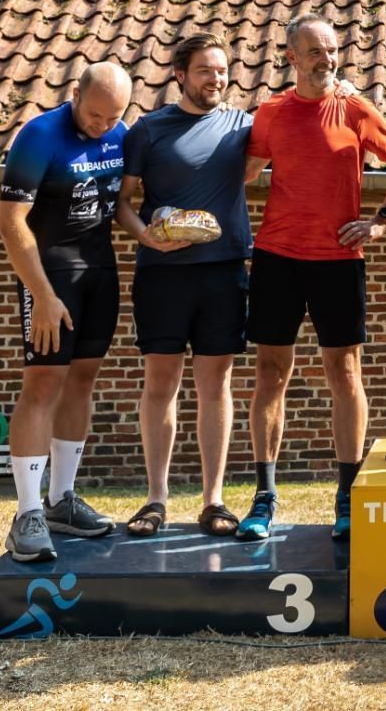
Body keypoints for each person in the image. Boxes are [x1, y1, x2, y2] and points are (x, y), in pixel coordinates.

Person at [236, 14, 386, 540]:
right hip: (277, 258)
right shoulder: (269, 114)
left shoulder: (356, 108)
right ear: (291, 57)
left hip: (339, 261)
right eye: (315, 51)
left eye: (332, 51)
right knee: (270, 375)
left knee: (346, 375)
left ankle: (347, 497)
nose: (327, 60)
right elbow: (239, 176)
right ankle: (264, 498)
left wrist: (381, 223)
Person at [115, 33, 252, 536]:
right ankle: (155, 499)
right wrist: (146, 240)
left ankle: (214, 501)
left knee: (215, 385)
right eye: (204, 71)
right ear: (180, 76)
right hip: (162, 274)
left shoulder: (244, 125)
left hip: (224, 270)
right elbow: (125, 202)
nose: (215, 79)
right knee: (161, 384)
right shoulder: (148, 130)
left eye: (221, 70)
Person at [0, 62, 131, 560]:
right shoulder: (39, 135)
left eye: (114, 117)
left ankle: (60, 500)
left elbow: (122, 205)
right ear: (75, 94)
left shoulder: (121, 133)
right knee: (44, 384)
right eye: (96, 115)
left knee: (83, 380)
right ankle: (27, 513)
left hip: (100, 272)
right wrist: (43, 293)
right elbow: (11, 222)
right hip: (49, 275)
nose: (103, 125)